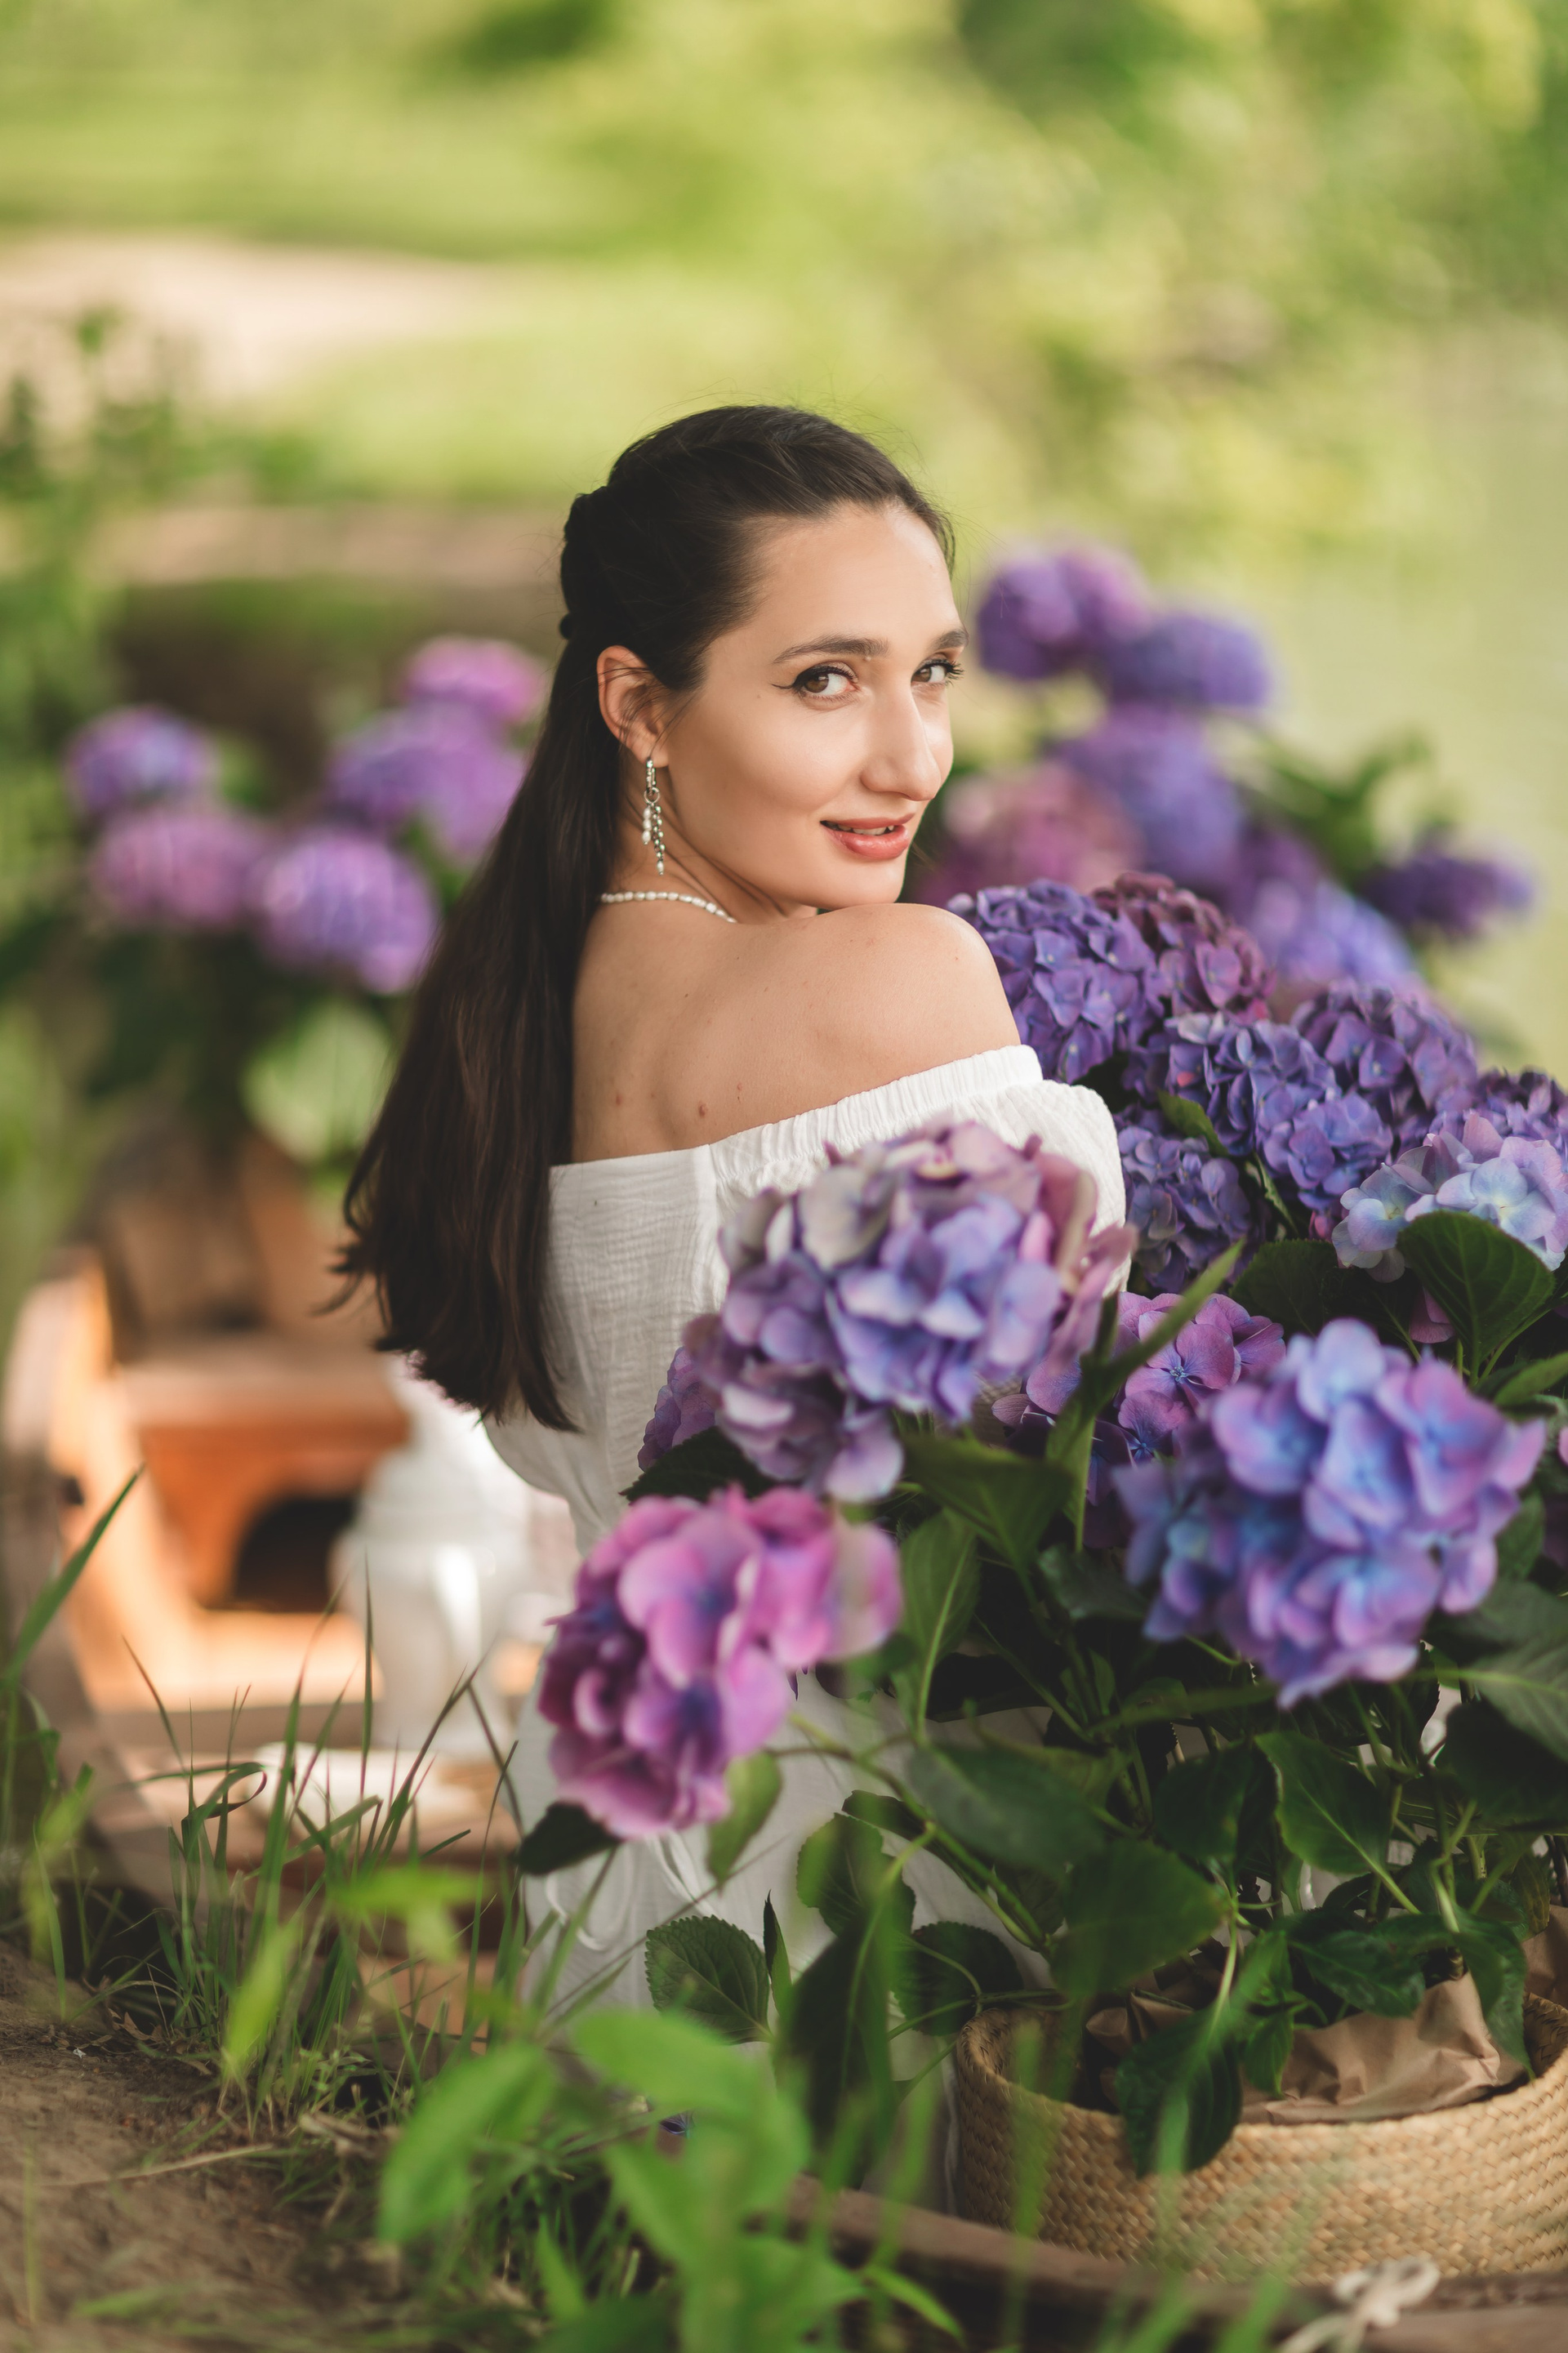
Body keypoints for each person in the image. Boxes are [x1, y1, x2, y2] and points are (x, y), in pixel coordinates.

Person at [342, 403, 1124, 2009]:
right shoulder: (901, 978)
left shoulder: (510, 1027)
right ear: (639, 702)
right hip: (905, 1919)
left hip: (630, 1919)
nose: (912, 756)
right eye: (825, 680)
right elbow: (1079, 1452)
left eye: (934, 672)